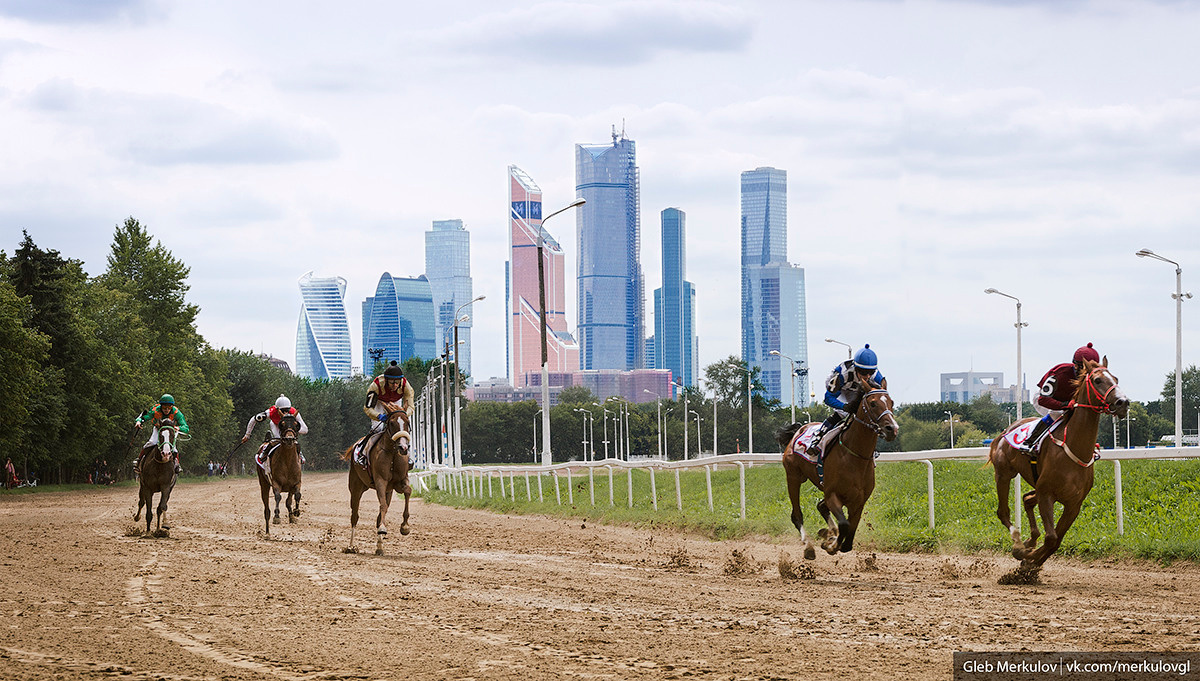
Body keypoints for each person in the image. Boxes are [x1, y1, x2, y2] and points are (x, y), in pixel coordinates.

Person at [807, 344, 888, 461]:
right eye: (864, 373)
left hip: (857, 390)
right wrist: (845, 407)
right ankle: (817, 438)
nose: (867, 376)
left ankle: (869, 446)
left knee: (867, 413)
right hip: (840, 389)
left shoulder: (876, 376)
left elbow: (881, 397)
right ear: (856, 369)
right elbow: (828, 398)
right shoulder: (841, 374)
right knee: (842, 414)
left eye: (870, 373)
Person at [1017, 342, 1101, 453]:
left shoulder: (1090, 379)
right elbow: (1043, 400)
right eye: (1085, 369)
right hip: (1045, 399)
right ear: (1076, 365)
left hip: (1067, 403)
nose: (1087, 373)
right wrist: (1064, 405)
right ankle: (1030, 442)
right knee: (1057, 414)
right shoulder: (1060, 372)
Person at [240, 394, 309, 477]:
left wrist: (292, 431)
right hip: (276, 425)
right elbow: (253, 419)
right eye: (283, 411)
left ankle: (299, 452)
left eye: (287, 410)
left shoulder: (293, 412)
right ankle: (264, 454)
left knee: (292, 437)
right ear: (277, 409)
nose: (285, 413)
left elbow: (305, 429)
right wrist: (247, 435)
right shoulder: (270, 412)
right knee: (278, 440)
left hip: (289, 428)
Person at [135, 394, 189, 475]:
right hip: (158, 429)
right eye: (164, 408)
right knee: (152, 442)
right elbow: (145, 417)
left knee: (173, 448)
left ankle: (177, 465)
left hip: (171, 431)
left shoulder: (177, 413)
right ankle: (138, 461)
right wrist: (139, 421)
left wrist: (178, 428)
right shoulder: (155, 410)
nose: (166, 410)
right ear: (161, 406)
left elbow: (186, 427)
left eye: (169, 408)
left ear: (172, 407)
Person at [364, 361, 414, 429]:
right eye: (391, 382)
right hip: (379, 401)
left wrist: (404, 414)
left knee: (404, 425)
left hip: (396, 400)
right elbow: (368, 408)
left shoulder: (406, 386)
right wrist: (379, 416)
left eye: (397, 382)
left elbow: (410, 407)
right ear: (386, 380)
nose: (395, 385)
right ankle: (373, 437)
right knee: (377, 427)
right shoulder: (376, 385)